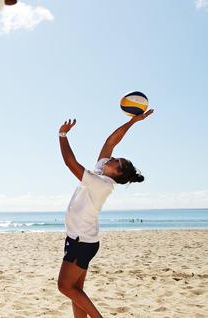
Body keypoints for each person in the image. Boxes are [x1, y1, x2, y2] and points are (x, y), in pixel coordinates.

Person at [56, 109, 153, 318]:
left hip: (82, 243)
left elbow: (70, 163)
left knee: (64, 287)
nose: (112, 158)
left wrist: (62, 136)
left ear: (116, 173)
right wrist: (133, 121)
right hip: (80, 240)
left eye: (115, 162)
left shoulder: (102, 184)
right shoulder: (101, 170)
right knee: (76, 291)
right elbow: (110, 142)